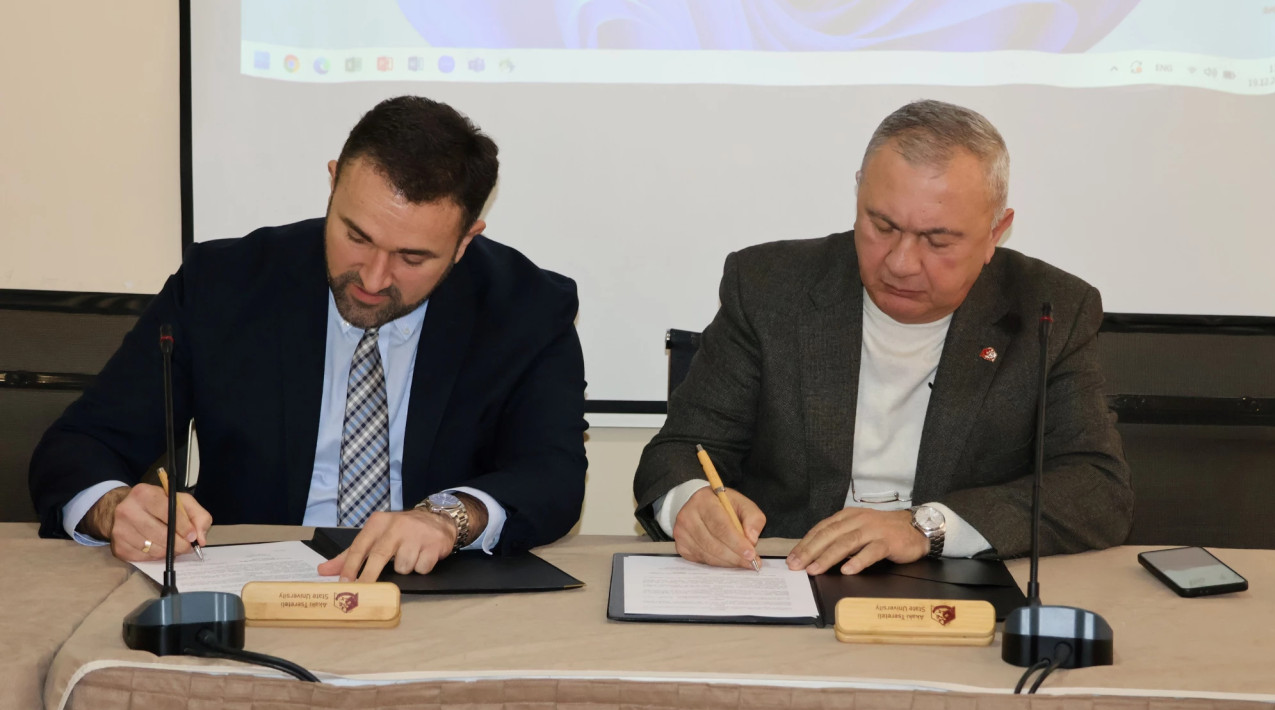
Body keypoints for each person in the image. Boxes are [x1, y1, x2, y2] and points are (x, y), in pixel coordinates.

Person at [29, 96, 588, 581]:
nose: (373, 279)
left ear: (466, 240)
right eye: (356, 236)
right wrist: (115, 507)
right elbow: (80, 444)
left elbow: (553, 474)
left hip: (436, 594)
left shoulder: (527, 309)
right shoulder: (224, 284)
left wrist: (449, 517)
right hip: (249, 585)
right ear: (332, 182)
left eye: (412, 257)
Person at [633, 99, 1132, 576]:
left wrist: (926, 527)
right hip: (785, 573)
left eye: (937, 239)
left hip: (958, 584)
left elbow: (1097, 489)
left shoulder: (1051, 308)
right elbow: (679, 451)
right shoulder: (768, 287)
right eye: (882, 226)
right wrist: (690, 501)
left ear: (996, 232)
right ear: (858, 196)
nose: (901, 263)